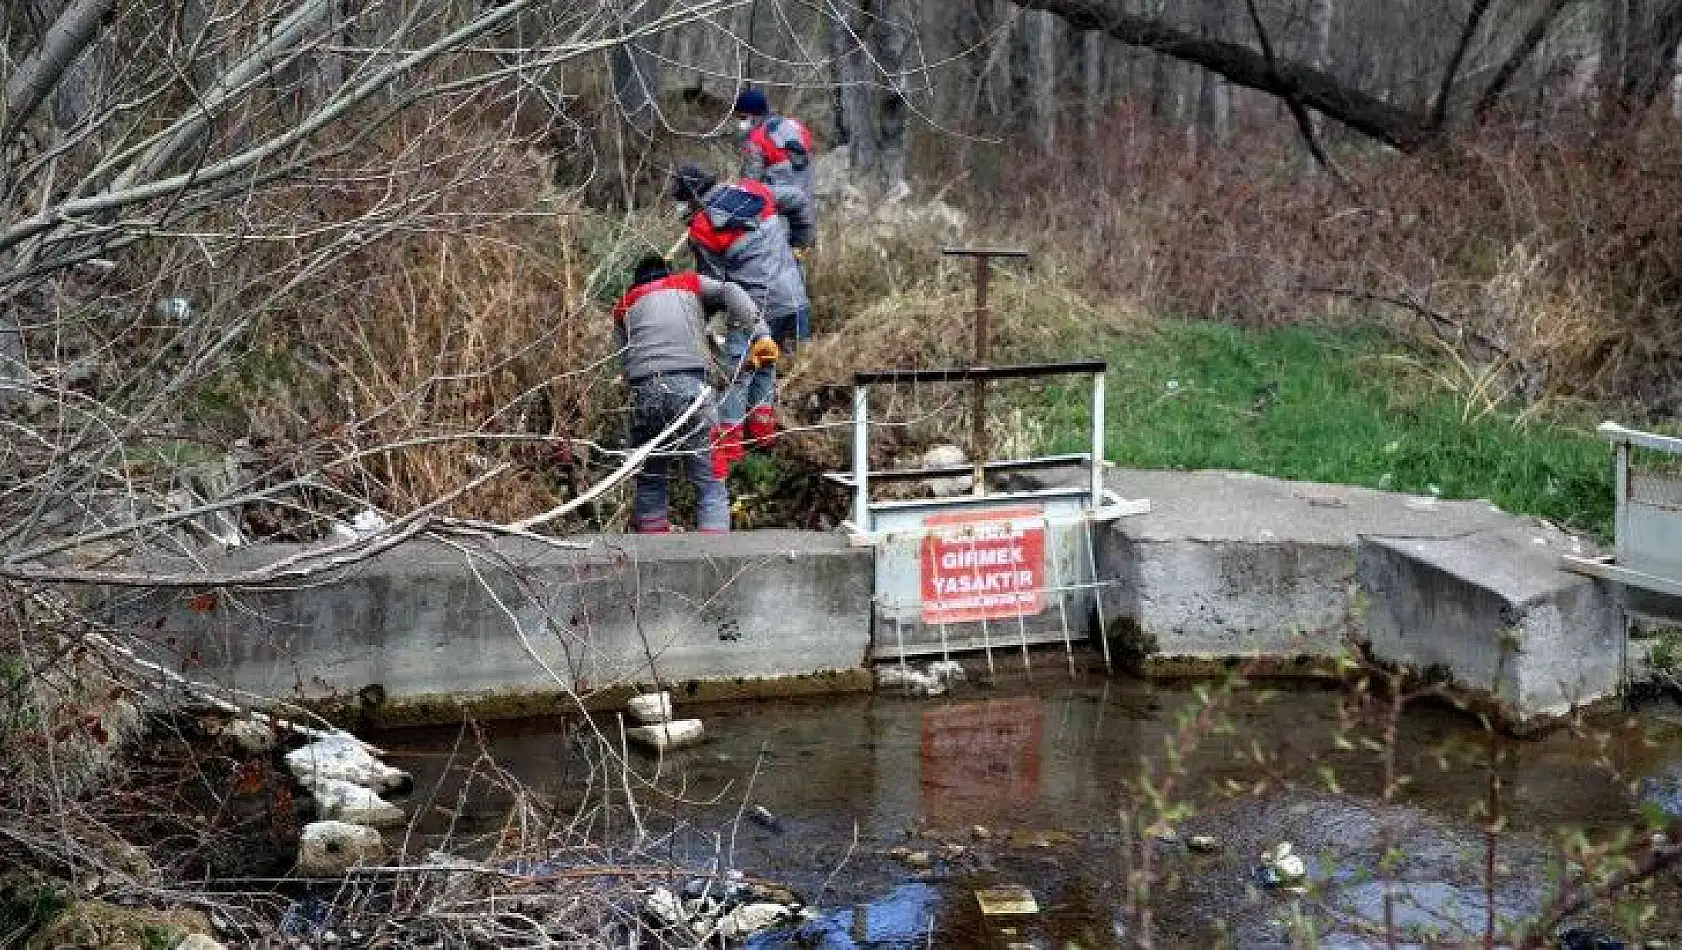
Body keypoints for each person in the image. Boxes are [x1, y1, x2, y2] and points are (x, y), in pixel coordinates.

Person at [612, 255, 775, 532]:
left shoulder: (624, 305)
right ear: (667, 273)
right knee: (711, 481)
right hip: (692, 391)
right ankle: (715, 558)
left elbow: (625, 360)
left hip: (642, 394)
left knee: (650, 478)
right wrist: (761, 335)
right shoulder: (686, 283)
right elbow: (731, 290)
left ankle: (652, 561)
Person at [670, 161, 811, 476]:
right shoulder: (754, 190)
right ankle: (766, 443)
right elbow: (800, 201)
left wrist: (698, 323)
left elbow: (716, 287)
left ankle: (730, 461)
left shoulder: (703, 228)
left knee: (737, 378)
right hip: (794, 300)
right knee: (774, 367)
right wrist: (801, 242)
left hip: (752, 309)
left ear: (691, 198)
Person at [734, 88, 816, 221]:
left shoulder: (757, 139)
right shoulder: (796, 125)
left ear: (752, 115)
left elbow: (751, 182)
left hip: (780, 201)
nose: (740, 122)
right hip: (806, 194)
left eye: (742, 117)